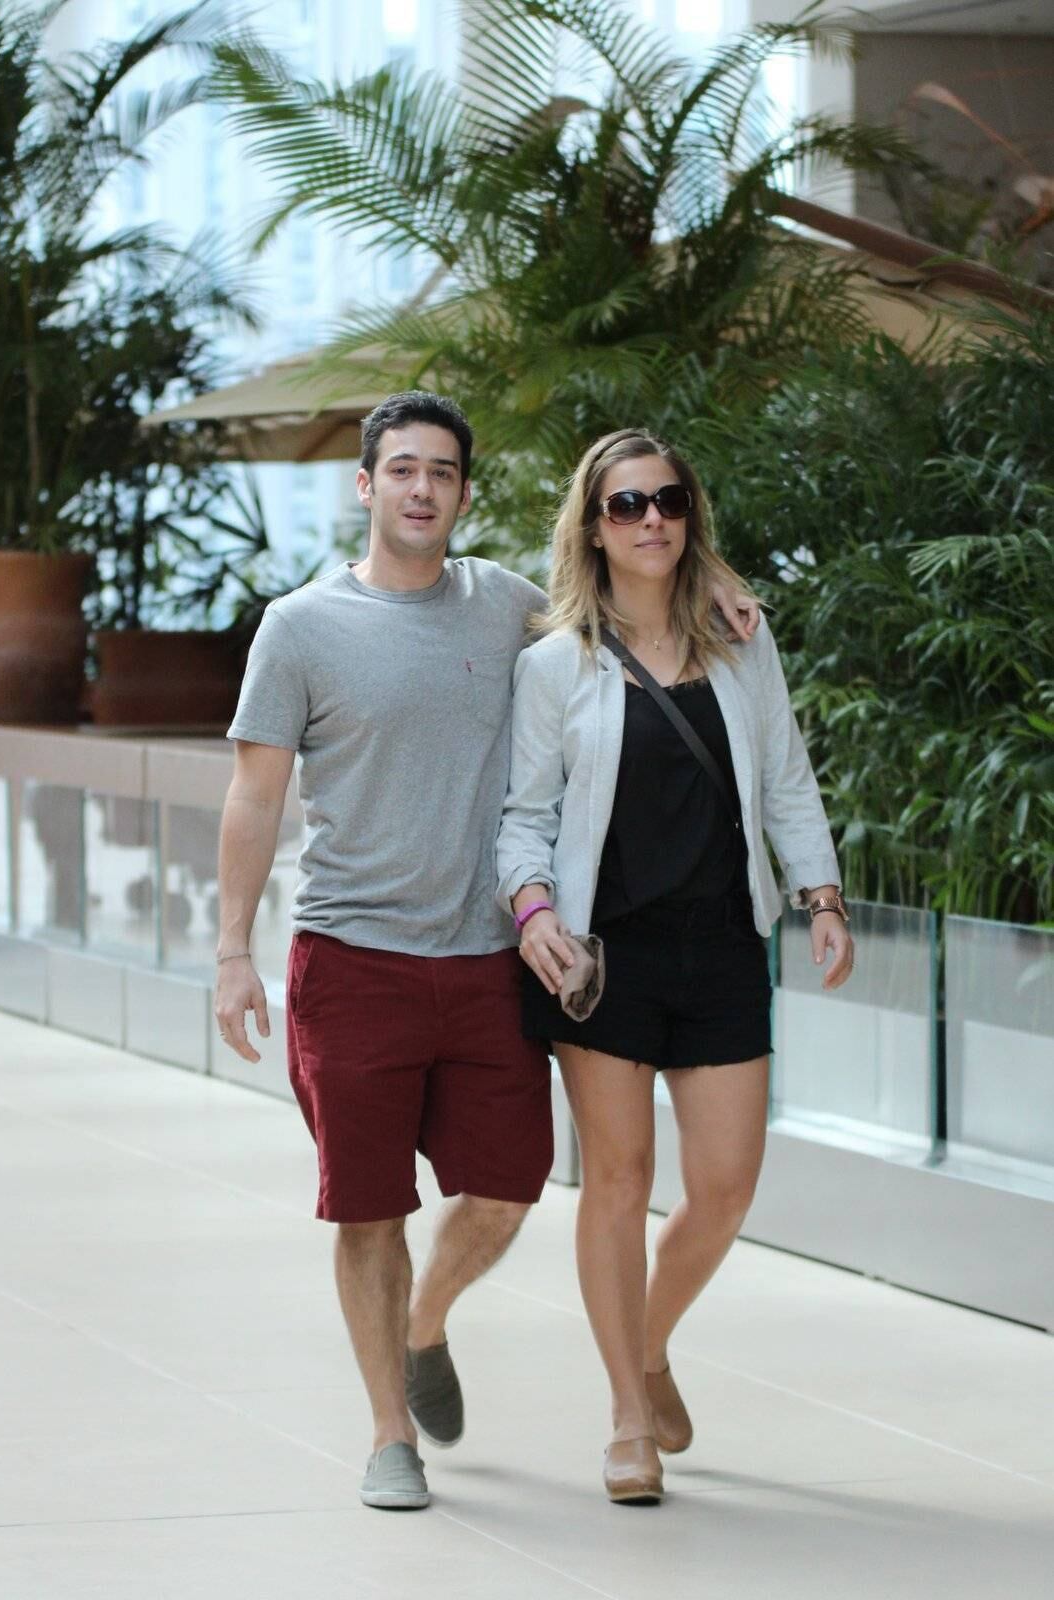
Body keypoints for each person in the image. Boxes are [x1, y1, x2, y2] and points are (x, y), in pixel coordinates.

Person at [213, 393, 759, 1512]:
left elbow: (630, 589)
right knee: (368, 1207)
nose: (422, 489)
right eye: (401, 470)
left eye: (443, 473)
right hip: (350, 957)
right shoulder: (300, 625)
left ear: (465, 492)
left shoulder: (507, 607)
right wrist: (231, 951)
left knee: (508, 1189)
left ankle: (424, 1321)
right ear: (365, 486)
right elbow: (253, 795)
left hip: (483, 964)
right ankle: (386, 1434)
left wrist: (710, 579)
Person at [496, 428, 854, 1506]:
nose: (650, 518)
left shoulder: (743, 641)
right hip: (606, 956)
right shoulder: (555, 664)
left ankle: (646, 1348)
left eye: (668, 500)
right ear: (593, 526)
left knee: (726, 1186)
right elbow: (525, 817)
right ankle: (623, 1416)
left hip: (723, 941)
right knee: (617, 1181)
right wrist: (531, 909)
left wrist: (820, 892)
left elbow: (785, 776)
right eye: (625, 504)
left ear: (688, 515)